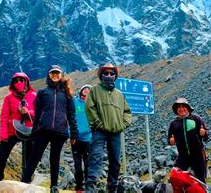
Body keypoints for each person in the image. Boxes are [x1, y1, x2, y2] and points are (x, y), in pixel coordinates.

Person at [21, 65, 78, 193]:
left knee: (55, 159)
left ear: (61, 75)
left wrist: (74, 133)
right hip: (43, 130)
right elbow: (37, 112)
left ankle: (54, 186)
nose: (55, 75)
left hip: (60, 131)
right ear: (49, 75)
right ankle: (24, 182)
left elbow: (71, 115)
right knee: (35, 157)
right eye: (52, 73)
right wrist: (34, 131)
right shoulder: (42, 92)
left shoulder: (67, 94)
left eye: (57, 73)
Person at [84, 62, 132, 193]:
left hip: (116, 133)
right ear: (101, 75)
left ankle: (112, 188)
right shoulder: (95, 90)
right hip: (100, 132)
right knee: (96, 158)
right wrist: (97, 124)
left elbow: (127, 112)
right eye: (106, 73)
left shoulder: (119, 94)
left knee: (115, 161)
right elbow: (89, 107)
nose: (109, 75)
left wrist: (123, 125)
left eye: (112, 73)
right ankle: (90, 188)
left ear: (115, 76)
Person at [0, 72, 37, 182]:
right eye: (16, 81)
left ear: (26, 81)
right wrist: (3, 136)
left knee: (29, 158)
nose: (18, 82)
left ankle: (27, 182)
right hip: (12, 131)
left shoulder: (34, 96)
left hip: (29, 131)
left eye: (21, 80)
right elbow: (4, 117)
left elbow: (39, 113)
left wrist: (28, 112)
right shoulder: (9, 98)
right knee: (1, 155)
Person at [167, 98, 209, 184]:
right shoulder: (174, 123)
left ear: (188, 108)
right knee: (175, 177)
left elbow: (206, 136)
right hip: (183, 156)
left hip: (198, 155)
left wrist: (203, 133)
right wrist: (171, 141)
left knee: (201, 180)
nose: (181, 109)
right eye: (179, 107)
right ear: (176, 110)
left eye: (183, 107)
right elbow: (169, 139)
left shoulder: (196, 119)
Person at [71, 85, 92, 192]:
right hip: (75, 139)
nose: (86, 91)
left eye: (89, 90)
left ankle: (88, 188)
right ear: (81, 91)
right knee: (78, 167)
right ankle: (79, 187)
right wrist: (71, 134)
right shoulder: (75, 102)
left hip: (88, 139)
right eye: (85, 89)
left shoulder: (93, 104)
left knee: (88, 166)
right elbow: (69, 116)